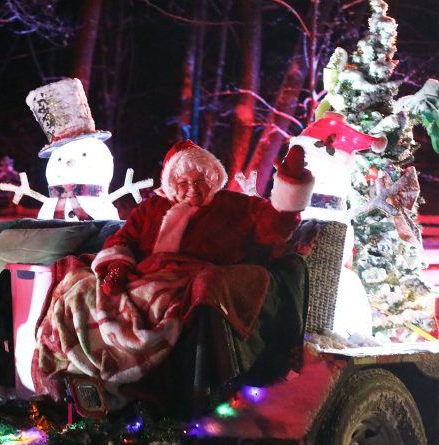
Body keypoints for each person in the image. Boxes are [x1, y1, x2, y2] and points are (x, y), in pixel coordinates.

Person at [32, 139, 314, 406]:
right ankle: (79, 379)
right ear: (170, 183)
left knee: (159, 303)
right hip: (141, 277)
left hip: (185, 281)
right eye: (183, 183)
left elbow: (276, 226)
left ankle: (145, 384)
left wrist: (290, 182)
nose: (192, 189)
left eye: (200, 181)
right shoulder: (152, 208)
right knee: (78, 289)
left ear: (214, 179)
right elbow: (123, 239)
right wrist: (117, 266)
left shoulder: (236, 206)